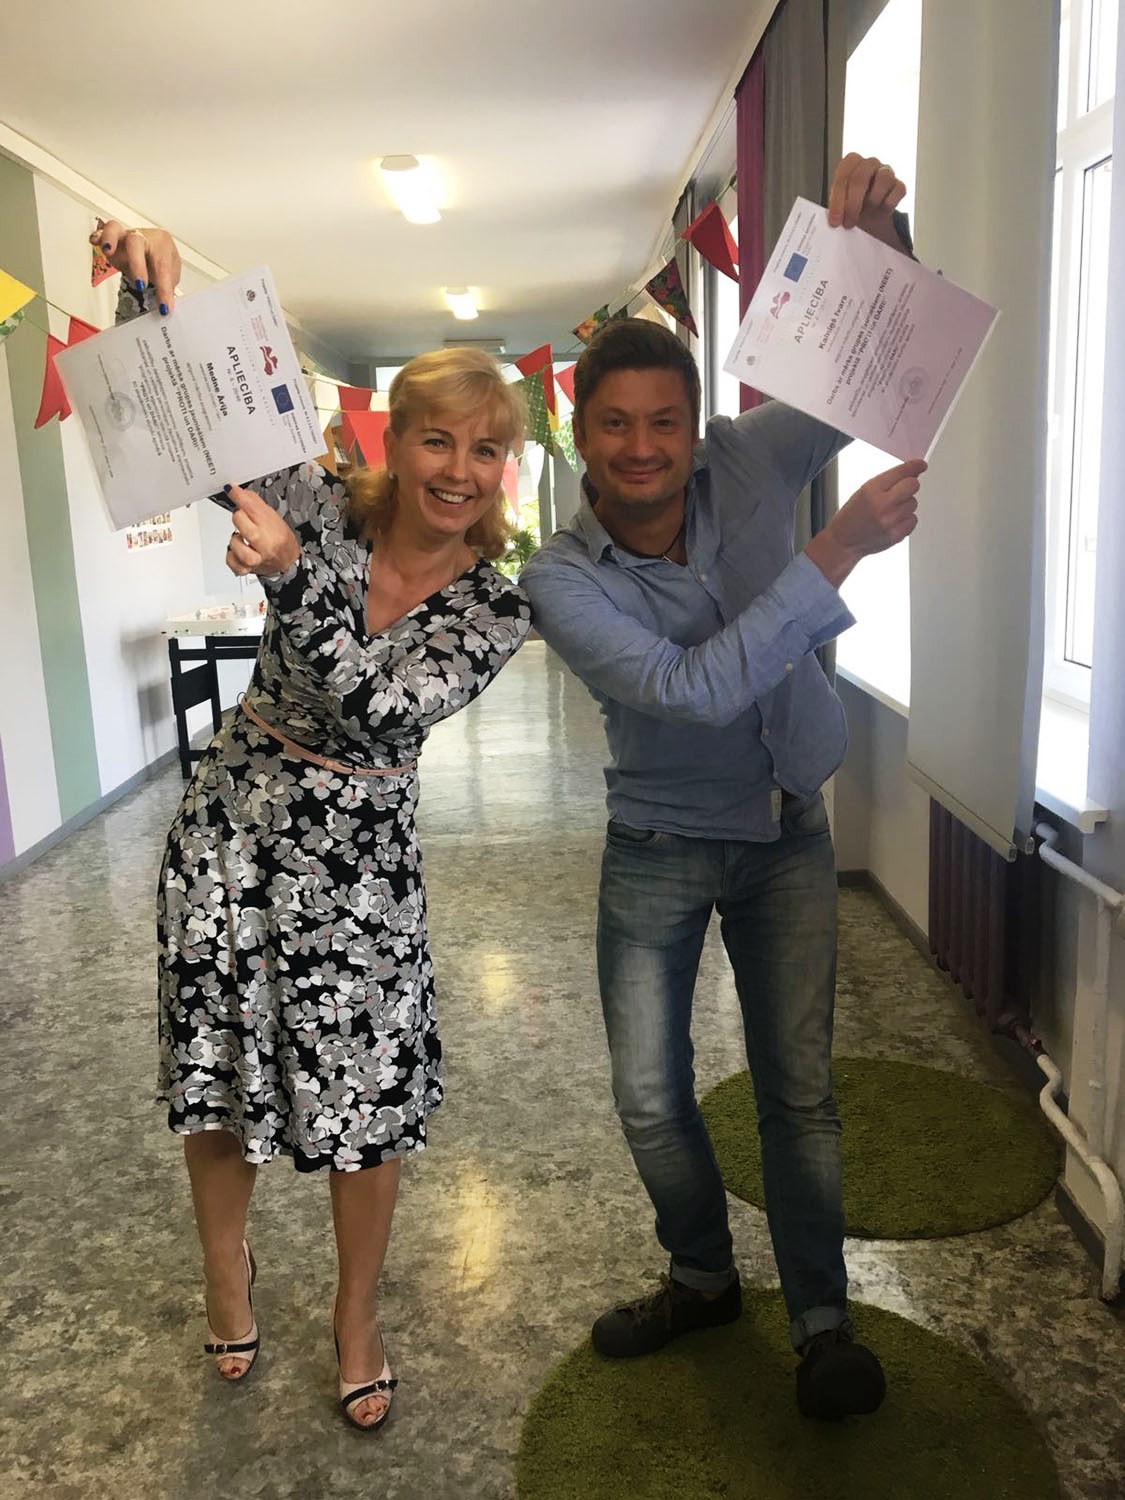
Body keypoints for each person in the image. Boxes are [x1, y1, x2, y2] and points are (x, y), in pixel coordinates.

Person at [92, 219, 530, 1430]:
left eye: (485, 448)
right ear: (395, 438)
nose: (458, 467)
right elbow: (189, 430)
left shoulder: (496, 607)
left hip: (361, 869)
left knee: (366, 1100)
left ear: (505, 468)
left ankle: (358, 1316)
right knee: (219, 1070)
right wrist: (151, 294)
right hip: (232, 832)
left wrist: (289, 582)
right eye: (437, 436)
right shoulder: (322, 504)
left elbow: (384, 708)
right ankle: (226, 1276)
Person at [521, 155, 925, 1420]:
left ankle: (821, 1323)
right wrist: (837, 550)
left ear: (695, 425)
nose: (642, 447)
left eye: (664, 421)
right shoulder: (559, 578)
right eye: (615, 424)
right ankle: (701, 1276)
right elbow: (690, 689)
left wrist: (882, 240)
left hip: (788, 830)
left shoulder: (750, 460)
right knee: (650, 1098)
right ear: (579, 435)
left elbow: (870, 370)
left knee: (799, 1093)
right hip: (656, 840)